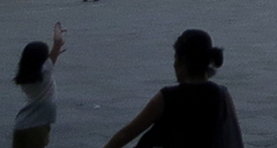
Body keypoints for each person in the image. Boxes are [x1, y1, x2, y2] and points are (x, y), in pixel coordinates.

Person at [99, 28, 244, 148]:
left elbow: (128, 133)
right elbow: (234, 135)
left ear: (182, 62)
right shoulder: (221, 94)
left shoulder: (168, 97)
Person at [11, 22, 65, 148]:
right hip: (37, 125)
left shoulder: (24, 75)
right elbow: (58, 41)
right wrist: (57, 28)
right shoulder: (45, 71)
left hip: (21, 123)